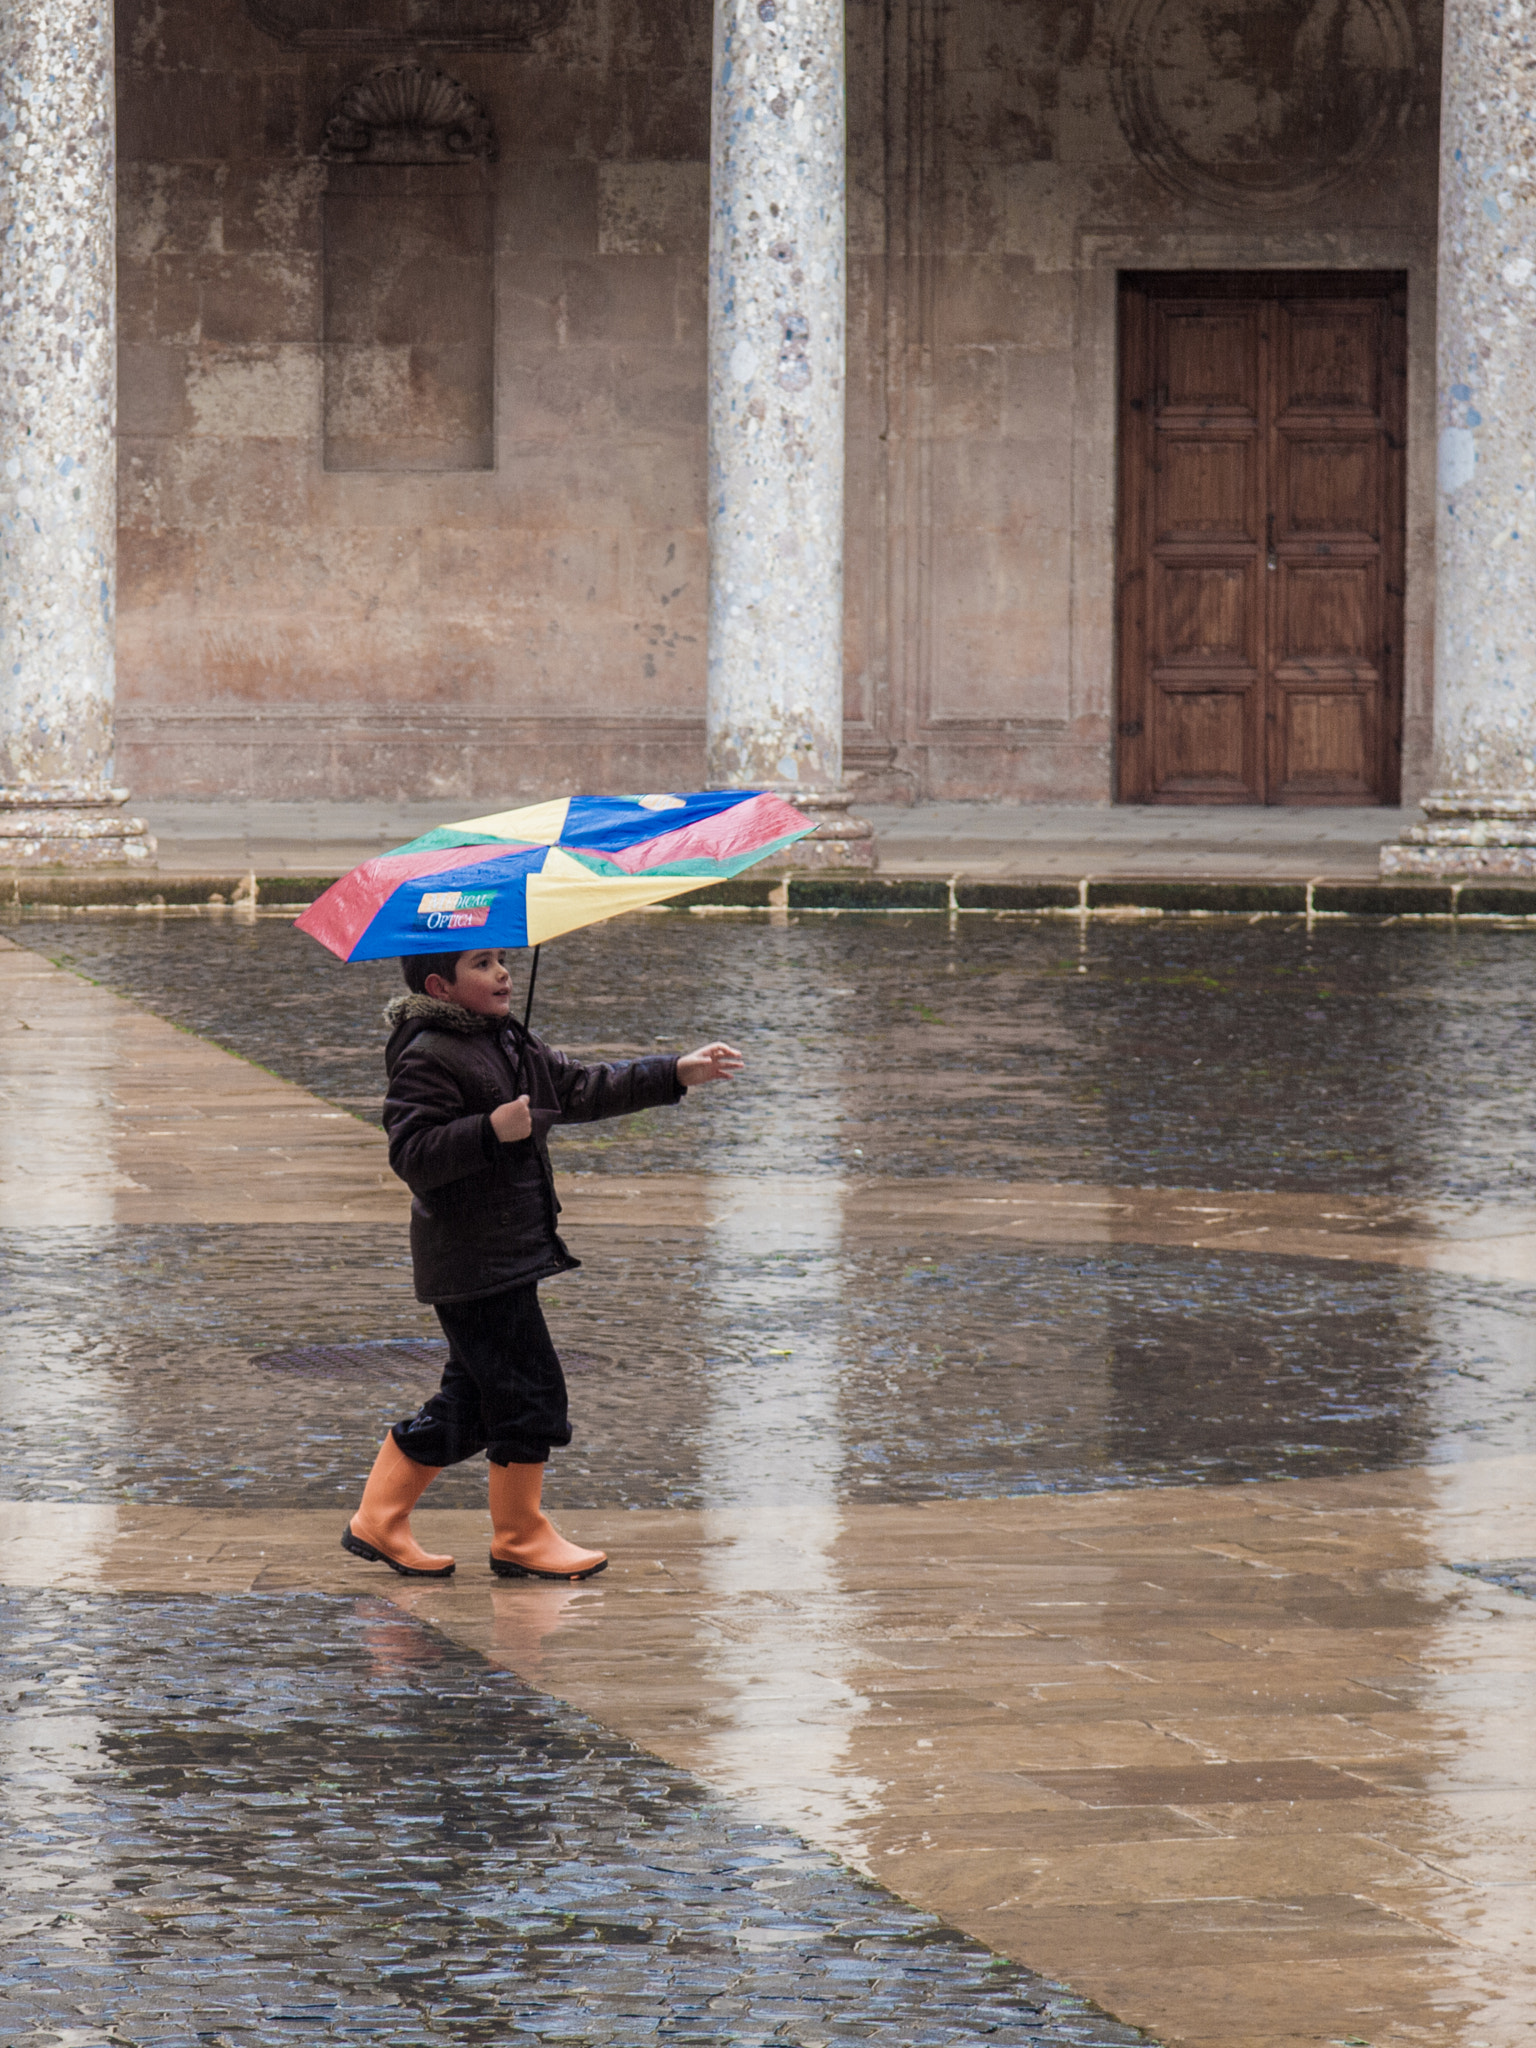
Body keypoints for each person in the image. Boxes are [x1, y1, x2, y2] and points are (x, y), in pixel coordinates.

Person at [342, 944, 741, 1582]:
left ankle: (379, 1519)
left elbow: (581, 1086)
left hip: (507, 1252)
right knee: (530, 1392)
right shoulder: (426, 1054)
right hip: (473, 1261)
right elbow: (412, 1154)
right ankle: (520, 1535)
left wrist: (674, 1072)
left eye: (502, 959)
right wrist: (488, 1130)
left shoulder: (507, 1039)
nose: (502, 973)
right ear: (441, 987)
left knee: (472, 1401)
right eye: (482, 964)